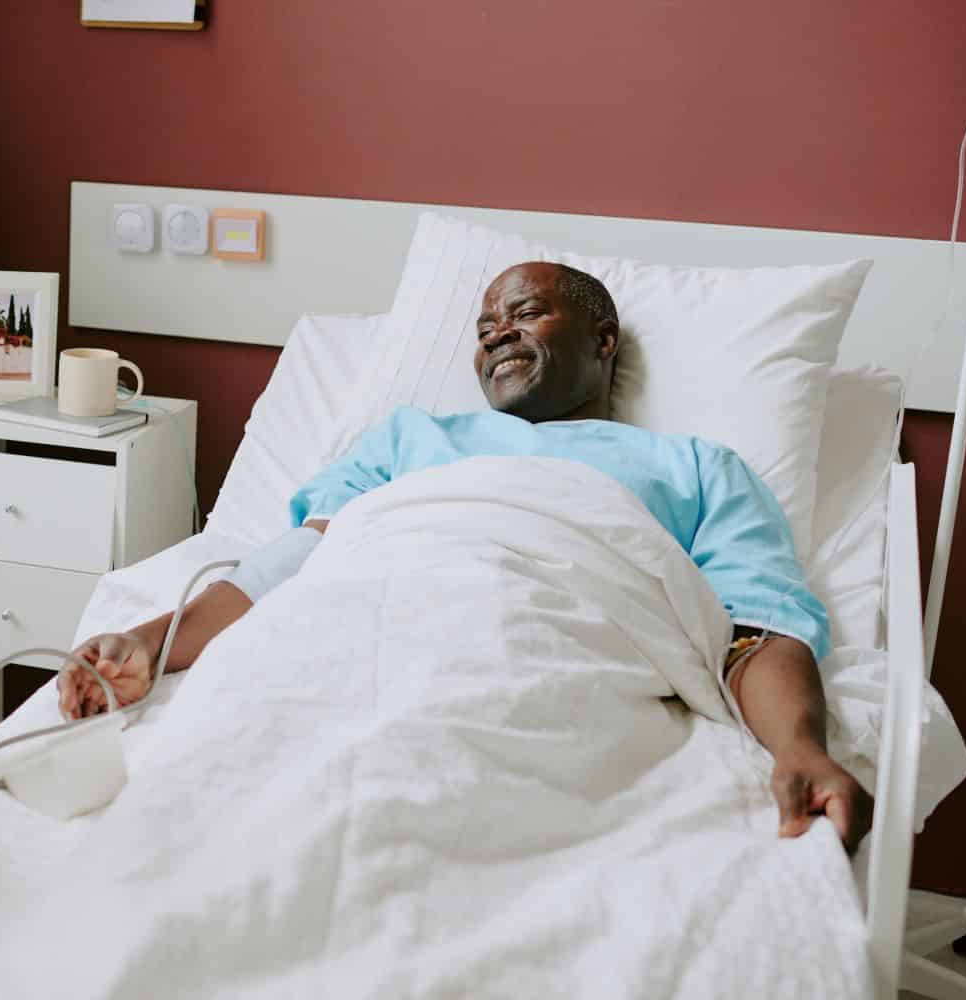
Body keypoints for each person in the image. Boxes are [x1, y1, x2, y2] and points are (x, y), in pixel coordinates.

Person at [58, 261, 874, 854]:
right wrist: (155, 641)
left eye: (525, 315)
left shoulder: (696, 468)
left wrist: (800, 748)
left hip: (552, 655)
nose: (497, 337)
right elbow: (299, 563)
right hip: (360, 631)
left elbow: (755, 630)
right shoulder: (411, 440)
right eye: (485, 329)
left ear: (603, 340)